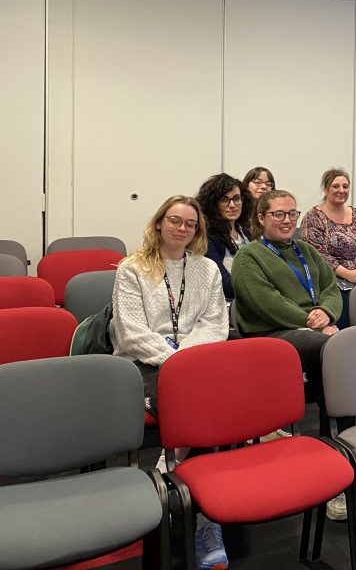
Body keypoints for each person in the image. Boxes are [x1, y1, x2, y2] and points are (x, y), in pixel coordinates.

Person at [110, 195, 229, 570]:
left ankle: (177, 479)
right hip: (145, 363)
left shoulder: (207, 269)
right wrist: (177, 360)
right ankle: (204, 516)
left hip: (195, 362)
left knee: (224, 405)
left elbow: (215, 324)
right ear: (159, 223)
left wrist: (188, 359)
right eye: (175, 220)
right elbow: (130, 332)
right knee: (197, 408)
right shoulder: (132, 268)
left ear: (198, 230)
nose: (182, 228)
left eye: (190, 223)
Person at [231, 189, 342, 401]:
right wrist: (313, 323)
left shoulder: (306, 250)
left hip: (313, 325)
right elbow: (267, 303)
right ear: (261, 218)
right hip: (272, 331)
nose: (288, 220)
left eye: (292, 214)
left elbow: (330, 287)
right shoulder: (248, 256)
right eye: (279, 214)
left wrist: (327, 312)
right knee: (335, 347)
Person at [299, 167, 356, 328]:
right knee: (348, 306)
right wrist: (347, 274)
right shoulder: (313, 217)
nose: (341, 190)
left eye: (345, 186)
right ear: (326, 189)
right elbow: (318, 254)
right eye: (336, 186)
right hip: (330, 278)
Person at [196, 173, 252, 300]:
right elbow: (225, 285)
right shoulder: (208, 238)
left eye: (237, 198)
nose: (232, 205)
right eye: (224, 199)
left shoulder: (246, 233)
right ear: (213, 204)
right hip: (228, 305)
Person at [242, 166, 275, 236]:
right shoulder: (238, 208)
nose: (264, 186)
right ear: (246, 184)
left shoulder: (273, 211)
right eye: (258, 182)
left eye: (268, 184)